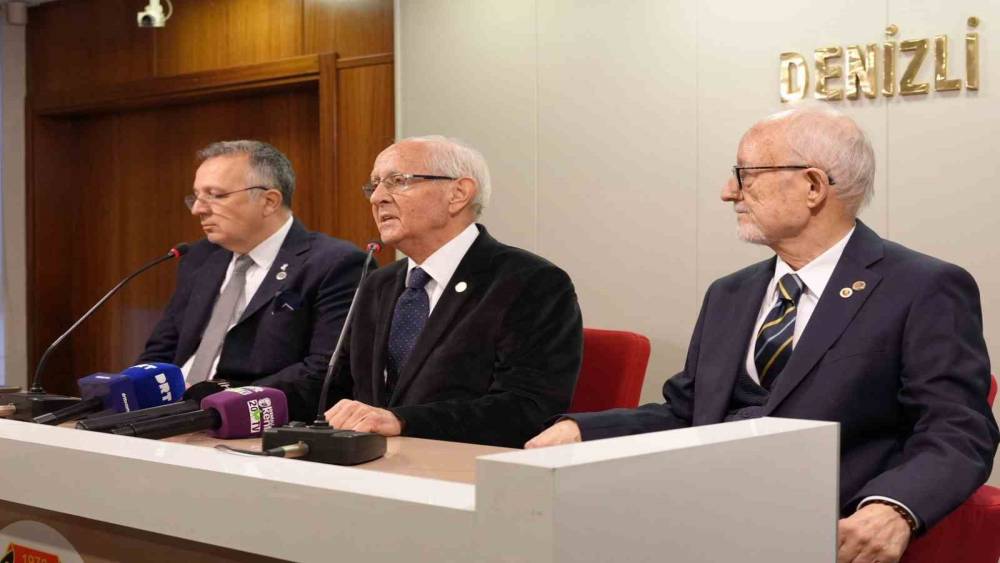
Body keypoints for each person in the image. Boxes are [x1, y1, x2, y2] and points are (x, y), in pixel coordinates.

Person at [526, 107, 999, 563]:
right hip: (699, 517)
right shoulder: (729, 293)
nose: (728, 192)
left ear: (813, 185)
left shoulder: (921, 287)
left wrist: (895, 508)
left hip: (826, 530)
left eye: (746, 174)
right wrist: (583, 430)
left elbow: (957, 429)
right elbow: (686, 412)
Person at [317, 135, 583, 447]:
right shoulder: (378, 284)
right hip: (366, 464)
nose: (377, 198)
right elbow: (337, 388)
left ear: (458, 194)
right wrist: (267, 403)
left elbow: (527, 408)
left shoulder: (532, 283)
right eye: (374, 185)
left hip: (466, 468)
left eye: (397, 181)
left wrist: (403, 421)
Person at [139, 140, 368, 421]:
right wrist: (136, 395)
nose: (198, 209)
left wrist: (217, 405)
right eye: (196, 196)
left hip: (251, 421)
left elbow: (323, 370)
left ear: (269, 201)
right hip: (169, 416)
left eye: (215, 195)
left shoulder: (335, 263)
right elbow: (161, 350)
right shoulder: (199, 257)